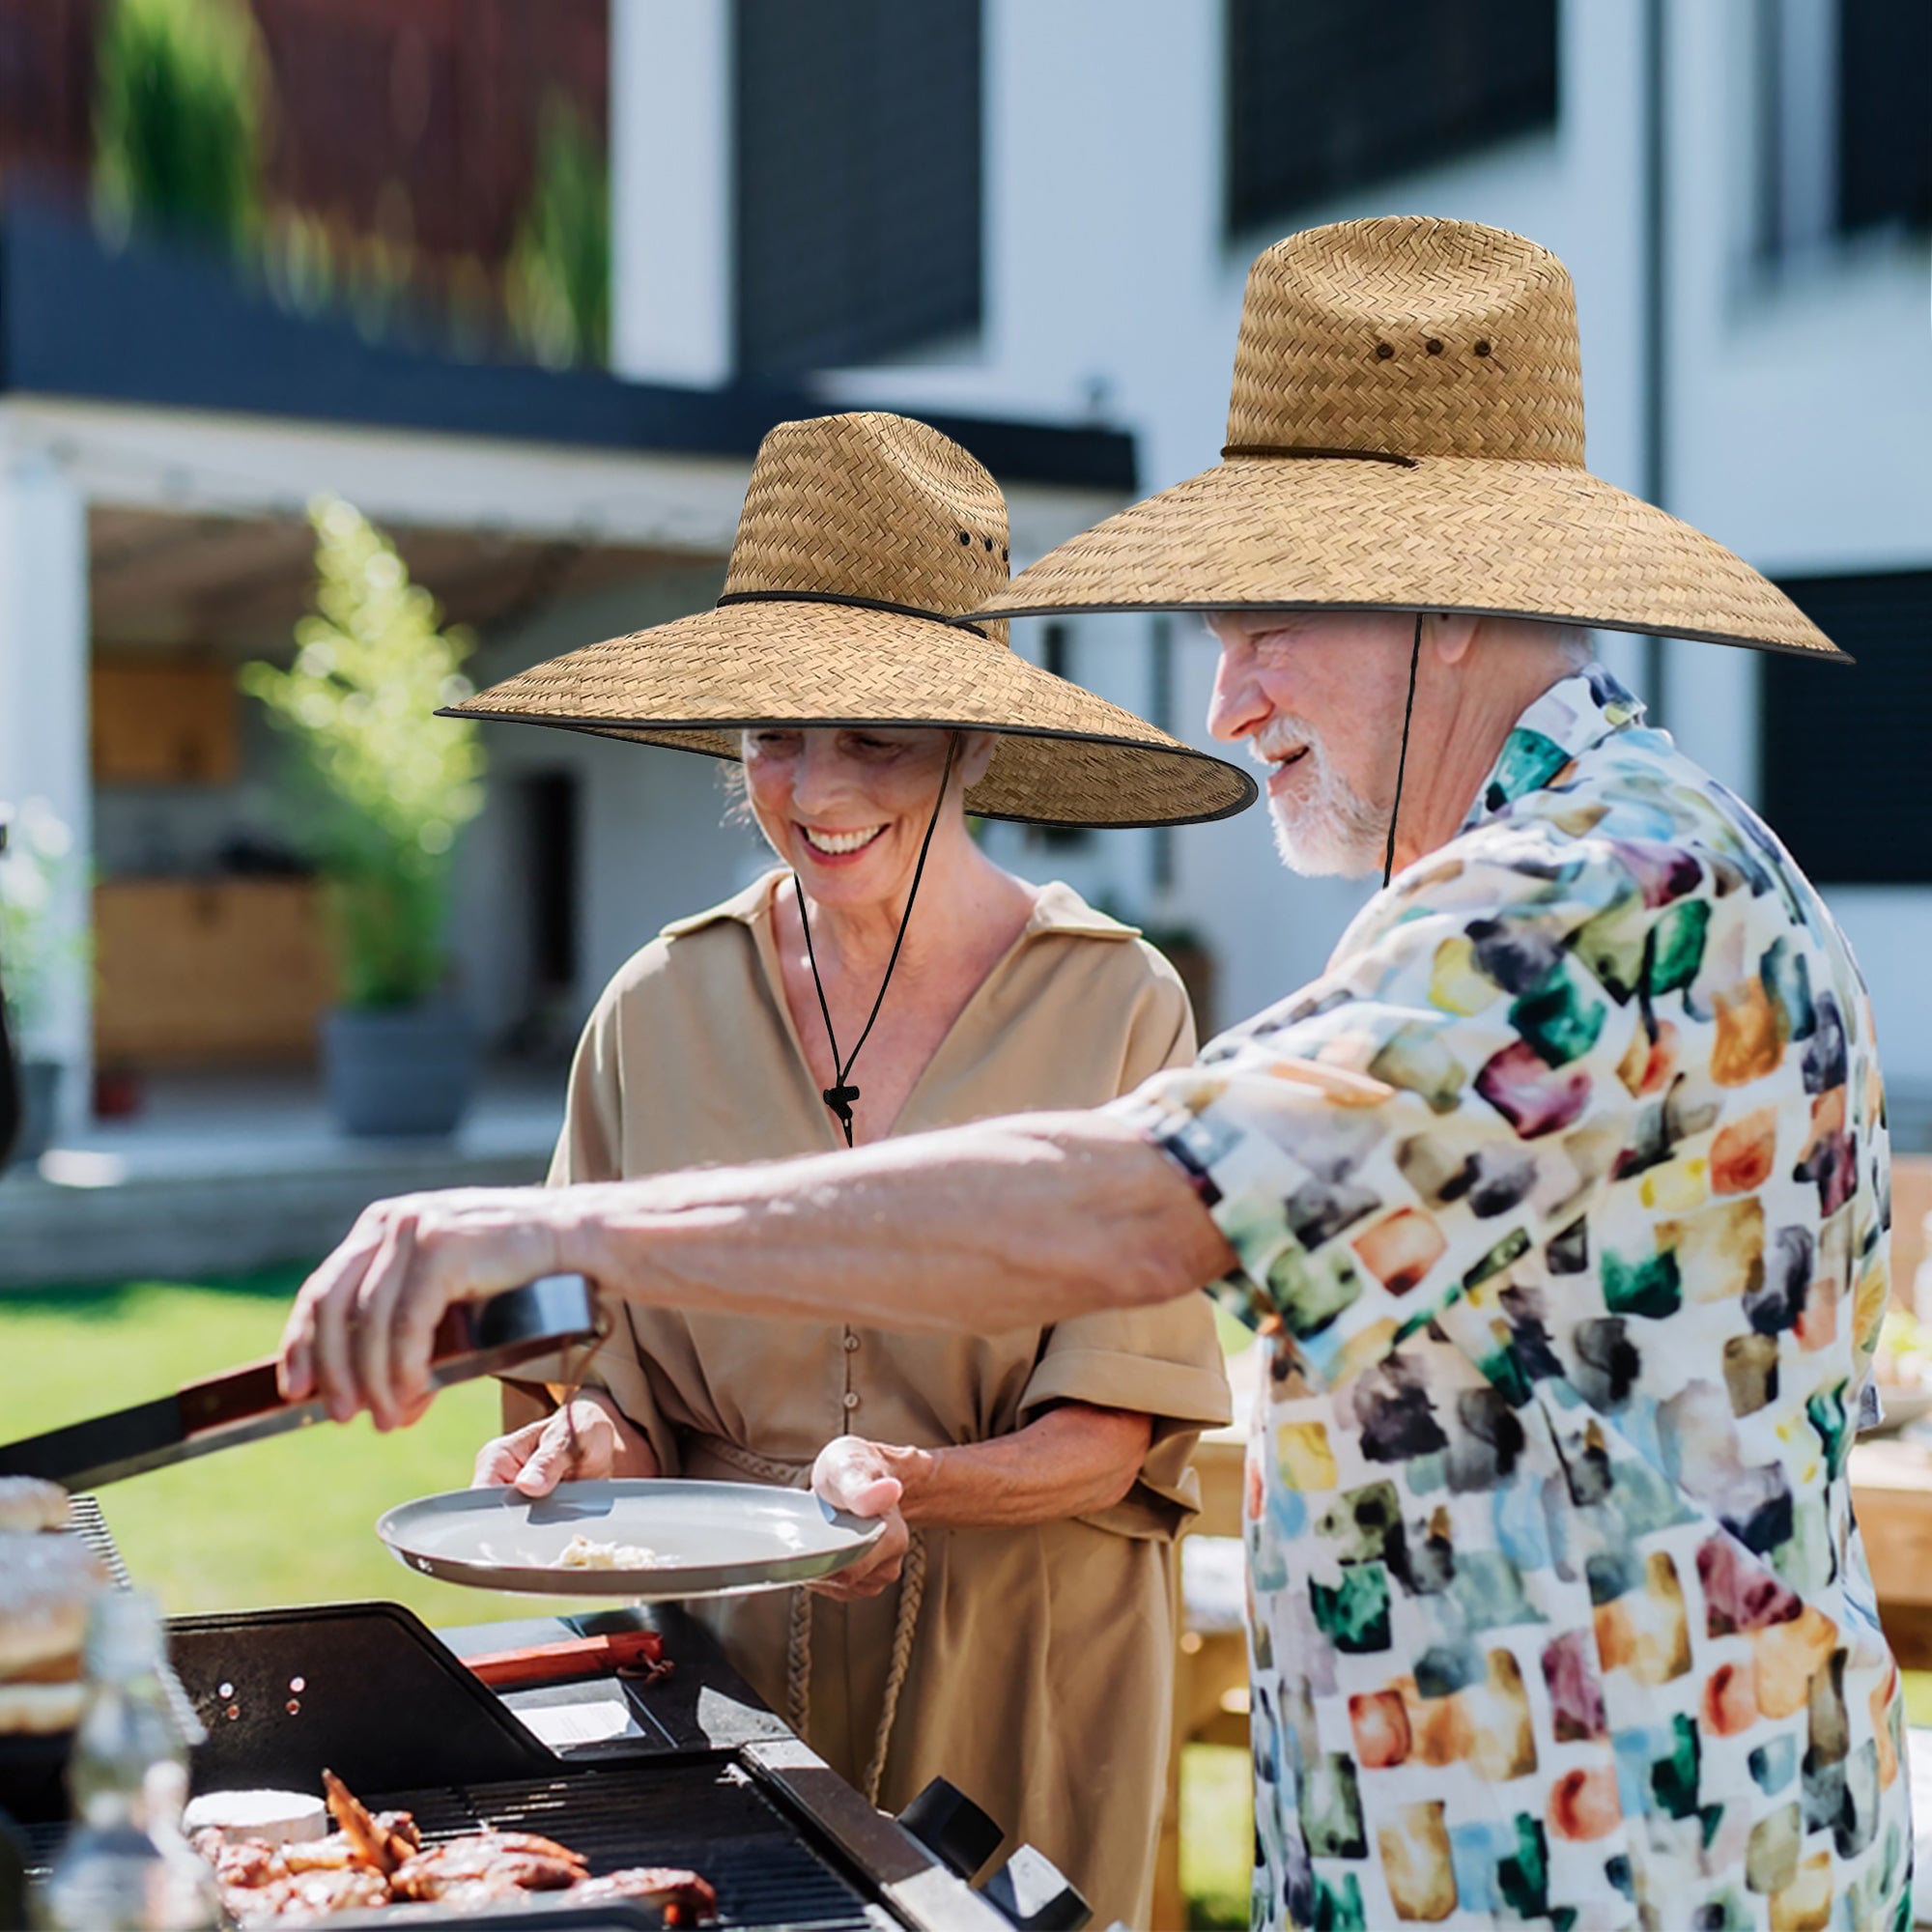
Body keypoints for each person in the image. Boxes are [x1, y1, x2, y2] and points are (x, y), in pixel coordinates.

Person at [281, 221, 1909, 1930]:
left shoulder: (1588, 894)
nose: (1229, 700)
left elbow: (1142, 1205)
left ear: (1443, 597)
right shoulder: (1579, 865)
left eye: (1266, 625)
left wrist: (566, 1232)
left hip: (1634, 1880)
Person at [438, 411, 1248, 1927]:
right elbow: (596, 1381)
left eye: (872, 734)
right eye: (774, 735)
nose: (813, 789)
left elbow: (1115, 1432)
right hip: (722, 1676)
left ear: (975, 740)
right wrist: (577, 1451)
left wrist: (915, 1487)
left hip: (1030, 1669)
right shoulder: (655, 1006)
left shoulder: (1118, 1004)